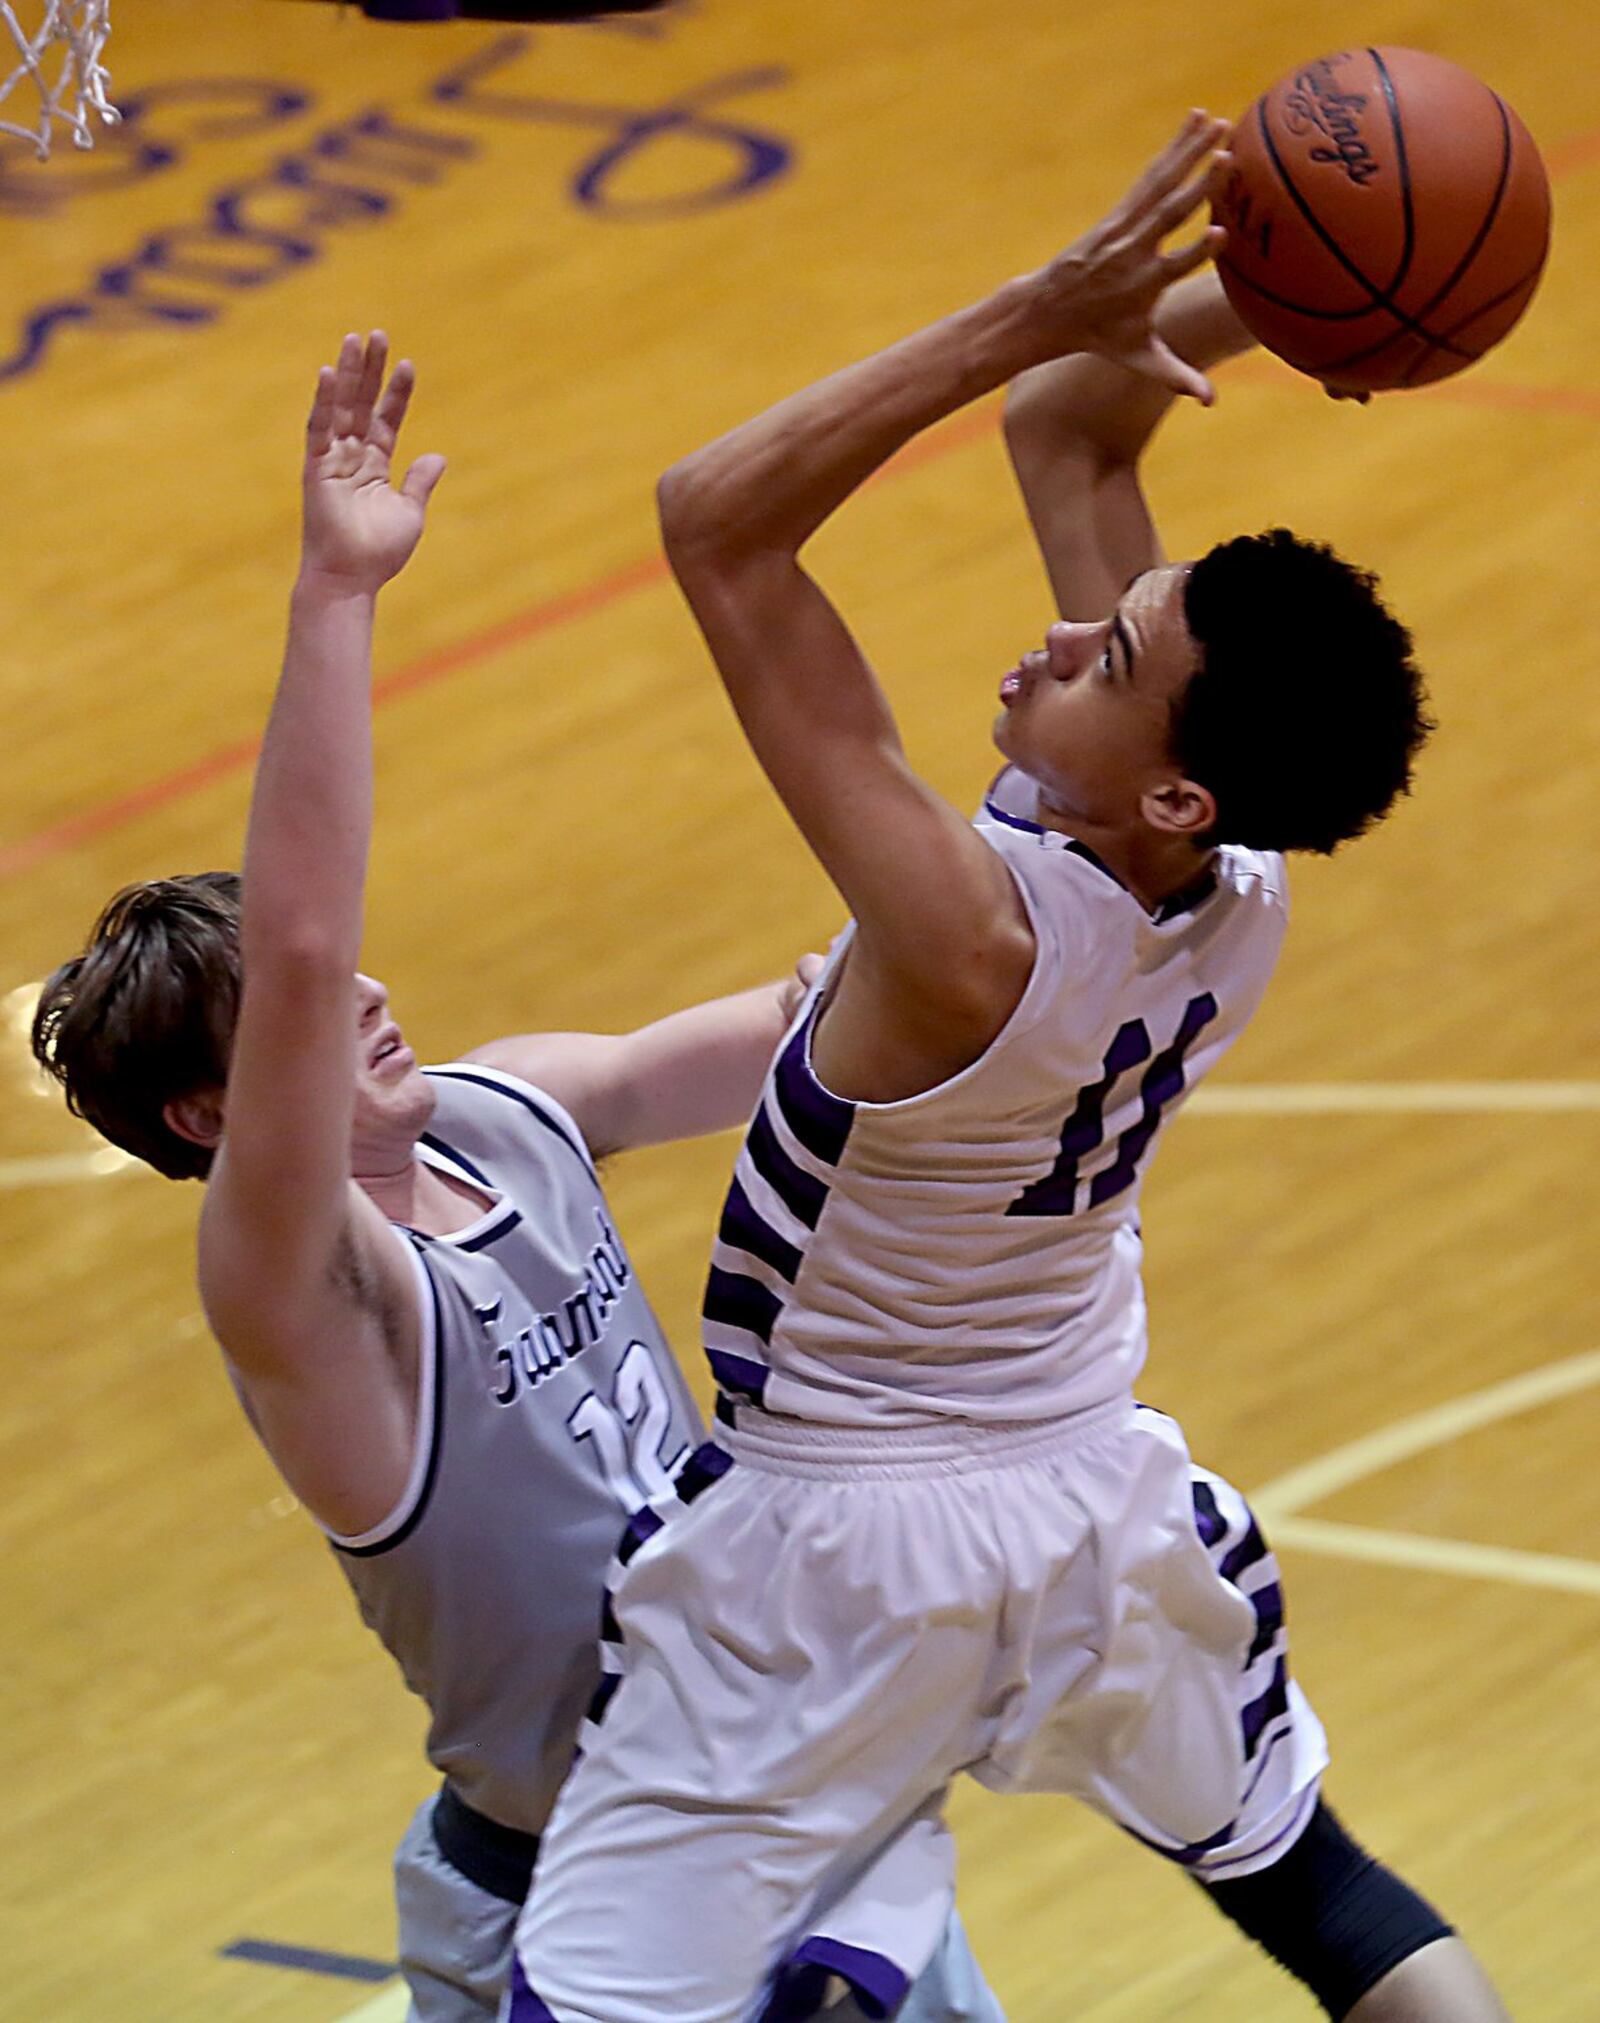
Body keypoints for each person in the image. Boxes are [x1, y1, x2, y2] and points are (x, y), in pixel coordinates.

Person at [509, 114, 1509, 2022]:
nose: (1056, 632)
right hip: (1086, 1497)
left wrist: (1022, 312)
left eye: (1103, 653)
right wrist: (1271, 294)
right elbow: (1081, 429)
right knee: (1320, 1890)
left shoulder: (965, 934)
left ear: (1169, 780)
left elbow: (715, 518)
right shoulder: (1234, 892)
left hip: (832, 1552)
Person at [31, 336, 1004, 2023]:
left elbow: (800, 1020)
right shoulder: (305, 1303)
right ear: (217, 1118)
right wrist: (336, 595)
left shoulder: (507, 1116)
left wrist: (1036, 879)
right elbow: (312, 916)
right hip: (583, 1914)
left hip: (793, 1817)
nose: (365, 991)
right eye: (295, 1019)